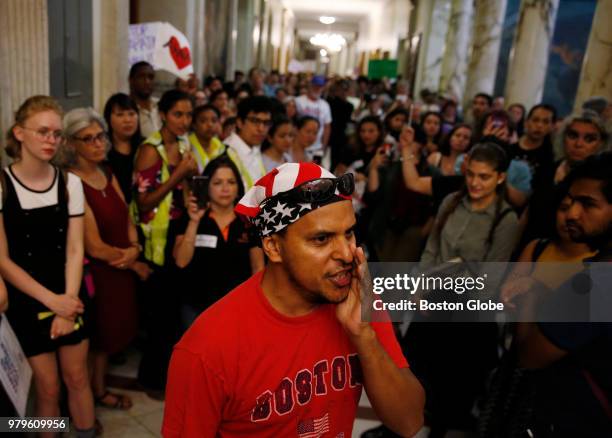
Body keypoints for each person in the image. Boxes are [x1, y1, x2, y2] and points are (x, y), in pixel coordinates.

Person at [162, 162, 425, 437]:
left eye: (348, 233)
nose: (347, 254)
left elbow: (409, 422)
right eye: (322, 239)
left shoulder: (360, 302)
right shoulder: (206, 348)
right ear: (274, 247)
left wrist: (364, 336)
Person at [407, 143, 519, 438]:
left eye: (483, 176)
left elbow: (490, 279)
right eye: (470, 174)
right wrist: (420, 287)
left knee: (452, 382)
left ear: (500, 178)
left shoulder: (505, 220)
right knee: (414, 370)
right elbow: (432, 249)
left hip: (466, 312)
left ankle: (439, 429)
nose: (474, 183)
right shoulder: (451, 202)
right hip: (432, 299)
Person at [0, 95, 95, 436]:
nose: (50, 140)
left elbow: (74, 249)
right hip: (27, 301)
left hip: (69, 295)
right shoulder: (1, 185)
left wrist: (66, 305)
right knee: (48, 388)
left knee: (77, 378)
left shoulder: (70, 183)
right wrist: (51, 301)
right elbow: (3, 259)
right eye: (42, 131)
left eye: (56, 134)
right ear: (19, 133)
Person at [507, 153, 612, 437]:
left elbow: (529, 355)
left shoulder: (596, 286)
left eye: (588, 204)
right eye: (570, 202)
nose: (573, 214)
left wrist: (530, 294)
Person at [63, 107, 150, 411]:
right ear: (72, 145)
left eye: (100, 136)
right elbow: (94, 246)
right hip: (96, 274)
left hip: (118, 267)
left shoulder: (106, 171)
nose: (99, 143)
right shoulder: (71, 182)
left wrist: (135, 247)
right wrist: (130, 258)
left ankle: (98, 392)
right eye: (89, 139)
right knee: (93, 343)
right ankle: (82, 405)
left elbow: (126, 215)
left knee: (106, 343)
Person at [132, 89, 196, 392]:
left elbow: (182, 191)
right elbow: (143, 202)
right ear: (163, 115)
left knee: (173, 310)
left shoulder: (184, 144)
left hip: (179, 230)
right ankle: (152, 378)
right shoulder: (149, 149)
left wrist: (188, 182)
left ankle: (170, 374)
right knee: (159, 314)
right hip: (155, 239)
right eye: (177, 114)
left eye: (188, 115)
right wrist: (178, 174)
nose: (184, 121)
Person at [173, 156, 264, 329]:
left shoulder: (247, 221)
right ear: (206, 186)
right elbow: (181, 261)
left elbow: (257, 268)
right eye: (217, 183)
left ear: (238, 187)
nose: (225, 189)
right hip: (197, 307)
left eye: (231, 182)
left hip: (238, 307)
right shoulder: (190, 217)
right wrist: (194, 222)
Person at [224, 96, 272, 189]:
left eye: (266, 123)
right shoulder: (225, 153)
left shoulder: (255, 148)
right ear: (239, 122)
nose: (261, 129)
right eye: (255, 121)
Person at [103, 93, 142, 203]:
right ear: (108, 119)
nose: (127, 120)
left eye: (131, 114)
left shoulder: (146, 147)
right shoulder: (101, 151)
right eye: (120, 115)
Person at [508, 103, 557, 192]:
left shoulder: (549, 158)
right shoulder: (509, 149)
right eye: (535, 120)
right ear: (526, 122)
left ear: (552, 126)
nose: (539, 125)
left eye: (545, 122)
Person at [295, 75, 333, 161]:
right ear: (310, 86)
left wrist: (323, 146)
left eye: (320, 87)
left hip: (316, 148)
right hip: (299, 147)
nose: (317, 89)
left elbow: (327, 127)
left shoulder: (325, 105)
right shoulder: (298, 101)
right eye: (315, 86)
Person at [327, 79, 355, 170]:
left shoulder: (349, 106)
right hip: (331, 135)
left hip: (341, 137)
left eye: (345, 90)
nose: (343, 92)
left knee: (337, 161)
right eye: (340, 89)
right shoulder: (330, 102)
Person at [128, 61, 161, 138]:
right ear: (131, 80)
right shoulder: (125, 109)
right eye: (141, 77)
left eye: (151, 77)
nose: (147, 82)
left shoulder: (161, 105)